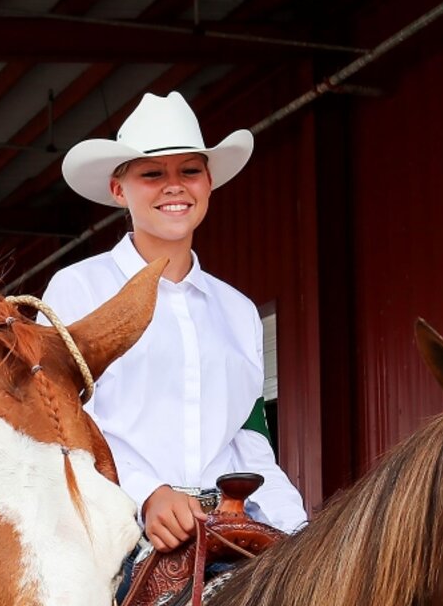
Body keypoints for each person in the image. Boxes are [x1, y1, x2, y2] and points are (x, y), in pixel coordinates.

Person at [39, 91, 306, 559]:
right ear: (119, 189)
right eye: (152, 174)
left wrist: (296, 528)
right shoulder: (77, 289)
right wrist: (147, 495)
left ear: (208, 183)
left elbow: (250, 438)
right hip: (111, 533)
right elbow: (59, 422)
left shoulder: (238, 310)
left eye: (189, 171)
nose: (174, 186)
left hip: (226, 528)